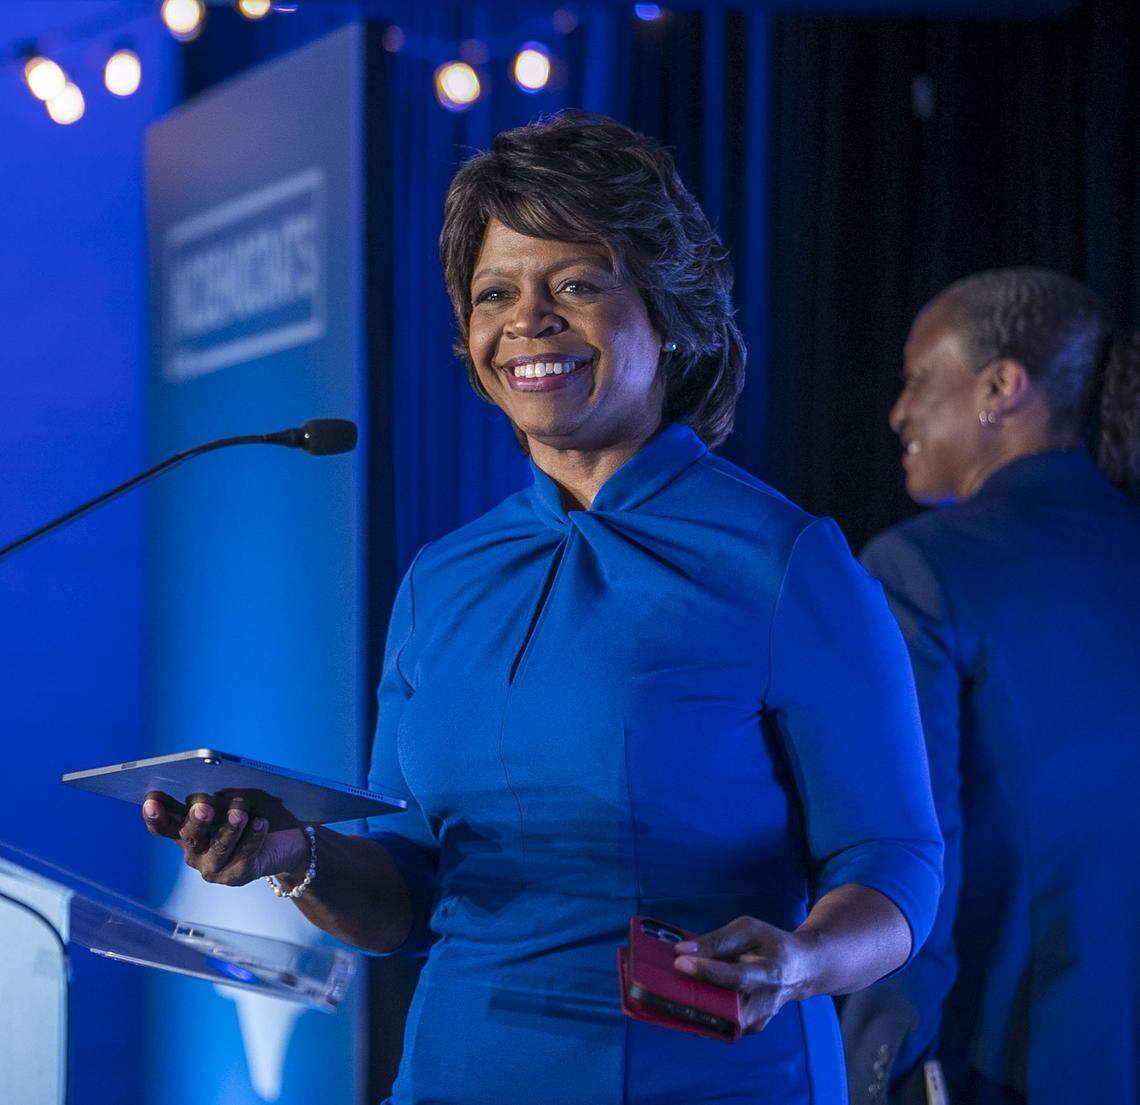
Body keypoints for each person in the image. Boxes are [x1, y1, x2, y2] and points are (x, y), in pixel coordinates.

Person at [142, 112, 942, 1105]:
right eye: (495, 293)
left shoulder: (785, 561)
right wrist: (294, 856)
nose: (528, 319)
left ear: (670, 312)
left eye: (576, 284)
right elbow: (407, 888)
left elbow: (895, 857)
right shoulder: (444, 577)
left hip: (708, 1081)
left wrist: (803, 959)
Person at [840, 268, 1140, 1105]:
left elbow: (911, 851)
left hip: (1005, 1066)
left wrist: (884, 1074)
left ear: (1001, 387)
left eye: (918, 377)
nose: (900, 411)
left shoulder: (921, 567)